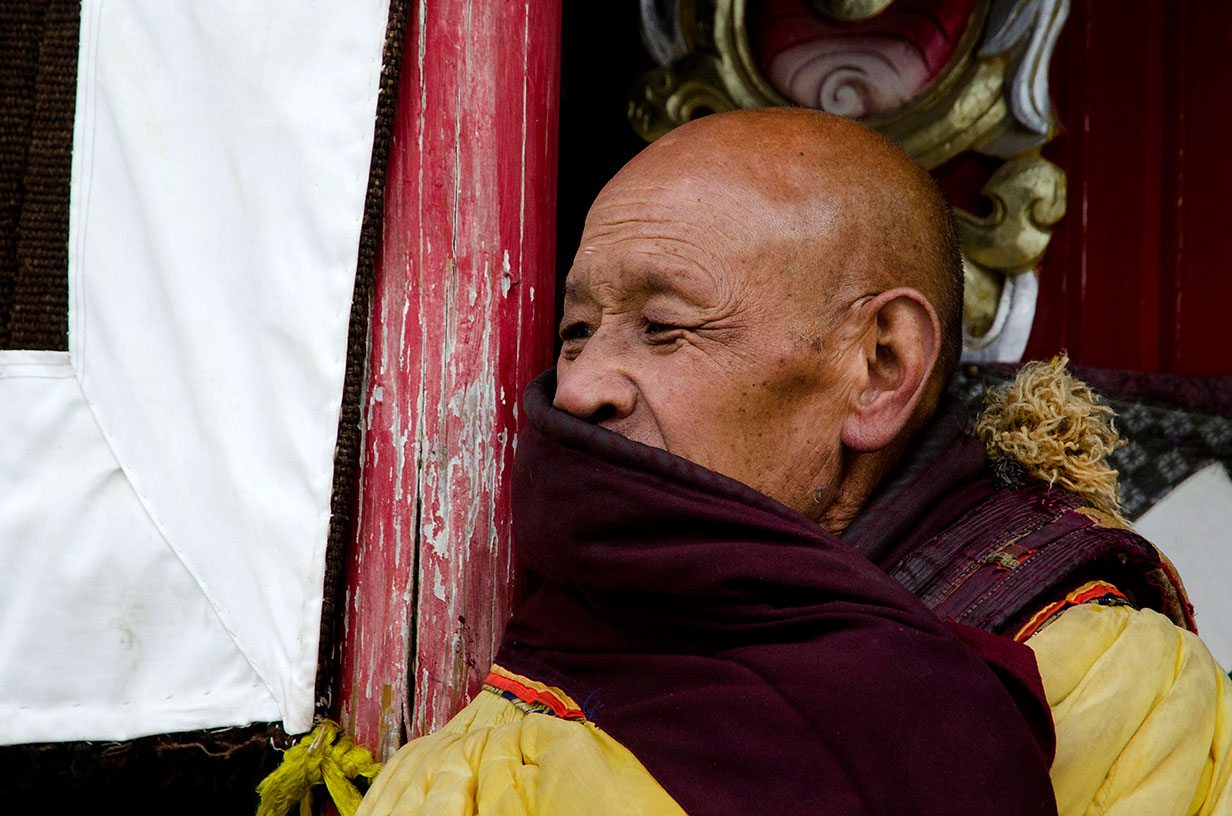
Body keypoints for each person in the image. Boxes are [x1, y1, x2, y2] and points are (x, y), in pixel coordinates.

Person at [355, 109, 1232, 815]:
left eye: (664, 326)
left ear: (879, 366)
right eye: (577, 331)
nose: (579, 388)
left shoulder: (1111, 685)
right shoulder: (508, 724)